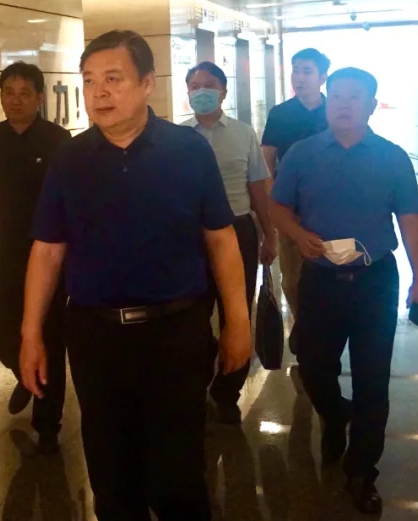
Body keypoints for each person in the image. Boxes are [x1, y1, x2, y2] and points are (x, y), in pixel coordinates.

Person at [19, 30, 252, 520]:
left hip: (176, 333)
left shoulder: (188, 150)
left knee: (178, 480)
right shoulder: (69, 159)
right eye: (89, 81)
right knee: (112, 479)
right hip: (95, 337)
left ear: (148, 83)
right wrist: (31, 333)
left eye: (113, 79)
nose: (99, 92)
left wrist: (238, 321)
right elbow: (47, 250)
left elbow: (221, 239)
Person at [269, 67, 418, 515]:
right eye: (336, 95)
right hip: (320, 279)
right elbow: (278, 206)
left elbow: (411, 220)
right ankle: (335, 413)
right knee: (313, 366)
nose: (343, 104)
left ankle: (362, 471)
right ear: (327, 102)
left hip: (375, 280)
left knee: (372, 378)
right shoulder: (303, 154)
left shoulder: (391, 157)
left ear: (371, 105)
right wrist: (298, 235)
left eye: (354, 96)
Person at [0, 61, 72, 453]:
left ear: (40, 97)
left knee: (50, 339)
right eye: (8, 93)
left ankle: (48, 425)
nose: (15, 100)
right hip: (5, 253)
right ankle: (25, 374)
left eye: (24, 93)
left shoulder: (58, 139)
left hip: (51, 256)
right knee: (0, 331)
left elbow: (77, 196)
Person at [181, 61, 277, 424]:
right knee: (193, 311)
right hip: (190, 235)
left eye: (207, 85)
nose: (200, 91)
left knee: (236, 309)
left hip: (238, 229)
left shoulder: (243, 133)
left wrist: (270, 235)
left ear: (223, 91)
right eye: (193, 86)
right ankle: (200, 371)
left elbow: (258, 188)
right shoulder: (177, 136)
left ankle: (228, 390)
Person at [261, 47, 330, 351]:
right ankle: (305, 327)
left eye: (307, 71)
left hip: (330, 209)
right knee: (292, 279)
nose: (299, 77)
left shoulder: (333, 111)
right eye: (295, 70)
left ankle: (321, 332)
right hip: (291, 209)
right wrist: (276, 204)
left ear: (322, 77)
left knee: (326, 273)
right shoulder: (281, 114)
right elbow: (266, 160)